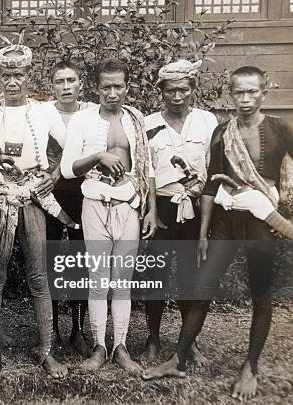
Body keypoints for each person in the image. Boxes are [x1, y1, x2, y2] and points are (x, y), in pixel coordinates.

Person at [142, 66, 293, 401]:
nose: (245, 98)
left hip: (260, 221)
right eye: (239, 92)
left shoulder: (279, 127)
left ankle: (250, 367)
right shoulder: (222, 132)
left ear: (264, 93)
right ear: (231, 94)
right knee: (203, 286)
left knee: (261, 293)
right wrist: (204, 232)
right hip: (225, 218)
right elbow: (211, 182)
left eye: (252, 91)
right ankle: (177, 358)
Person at [0, 44, 69, 378]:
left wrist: (52, 179)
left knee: (39, 277)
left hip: (32, 200)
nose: (12, 82)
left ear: (29, 76)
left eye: (19, 75)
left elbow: (73, 150)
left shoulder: (45, 112)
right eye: (7, 75)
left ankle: (47, 352)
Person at [60, 58, 157, 373]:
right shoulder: (84, 121)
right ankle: (100, 346)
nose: (112, 93)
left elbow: (147, 167)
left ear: (127, 87)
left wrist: (152, 208)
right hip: (95, 202)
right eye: (106, 87)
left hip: (128, 203)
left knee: (122, 281)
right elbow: (66, 168)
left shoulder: (136, 120)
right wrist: (98, 156)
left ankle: (121, 347)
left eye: (118, 86)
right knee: (99, 280)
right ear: (96, 88)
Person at [142, 60, 217, 364]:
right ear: (161, 91)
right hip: (161, 205)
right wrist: (149, 211)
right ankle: (153, 338)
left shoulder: (206, 121)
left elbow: (213, 167)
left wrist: (203, 203)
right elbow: (145, 171)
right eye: (170, 90)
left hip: (194, 207)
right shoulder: (148, 123)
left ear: (192, 90)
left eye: (183, 90)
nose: (177, 96)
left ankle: (190, 342)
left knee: (190, 275)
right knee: (156, 274)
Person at [47, 60, 95, 356]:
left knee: (80, 258)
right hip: (51, 193)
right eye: (59, 81)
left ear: (81, 84)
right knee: (51, 258)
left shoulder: (91, 113)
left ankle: (78, 328)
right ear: (51, 86)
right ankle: (51, 328)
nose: (66, 87)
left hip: (83, 191)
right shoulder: (43, 113)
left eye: (71, 80)